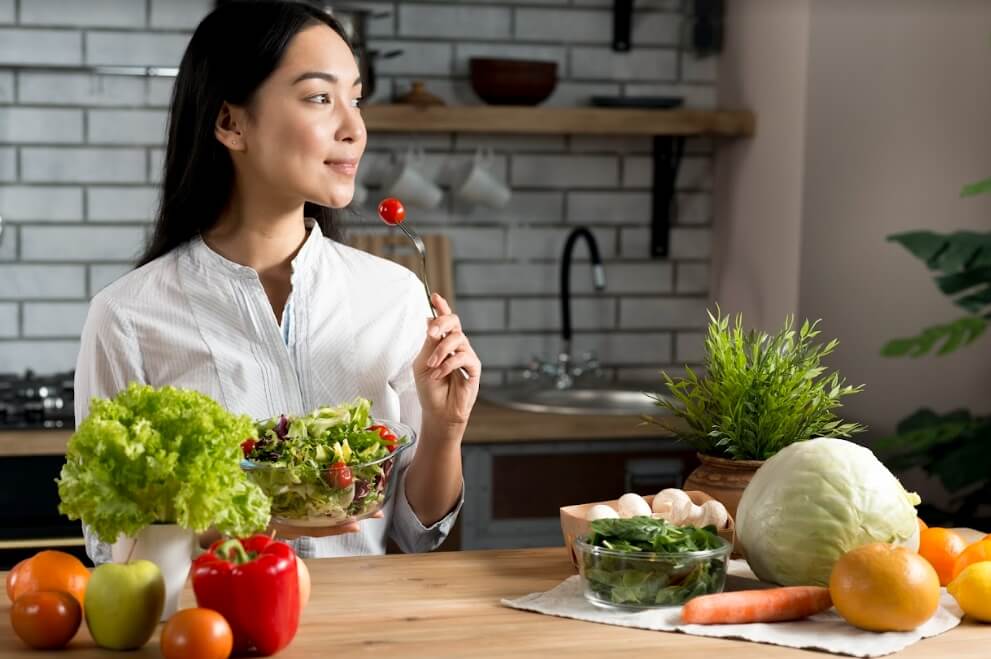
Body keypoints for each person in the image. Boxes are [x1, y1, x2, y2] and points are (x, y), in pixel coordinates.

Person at [75, 0, 480, 562]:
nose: (353, 129)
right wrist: (243, 522)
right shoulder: (127, 316)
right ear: (231, 122)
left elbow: (416, 534)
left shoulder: (393, 295)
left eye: (355, 100)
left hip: (366, 641)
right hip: (214, 637)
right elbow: (110, 544)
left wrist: (444, 427)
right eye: (319, 98)